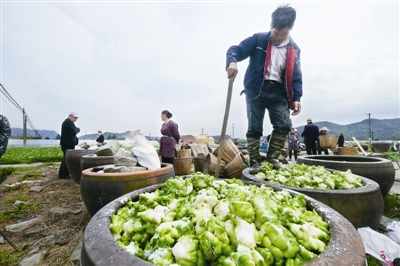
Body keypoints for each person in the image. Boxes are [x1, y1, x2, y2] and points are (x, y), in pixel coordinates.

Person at [226, 4, 302, 169]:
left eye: (282, 33)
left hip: (279, 92)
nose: (277, 37)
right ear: (271, 26)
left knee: (284, 125)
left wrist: (297, 97)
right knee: (255, 127)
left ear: (289, 29)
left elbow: (296, 77)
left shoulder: (294, 50)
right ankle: (254, 160)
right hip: (256, 90)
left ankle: (273, 158)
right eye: (275, 32)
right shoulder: (259, 39)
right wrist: (232, 62)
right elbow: (235, 50)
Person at [58, 112, 80, 179]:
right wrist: (78, 129)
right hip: (67, 143)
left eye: (76, 118)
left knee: (66, 158)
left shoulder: (71, 123)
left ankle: (63, 173)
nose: (76, 119)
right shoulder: (67, 123)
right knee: (66, 159)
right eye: (74, 117)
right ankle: (64, 174)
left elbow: (75, 130)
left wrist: (77, 129)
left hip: (69, 143)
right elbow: (75, 131)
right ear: (70, 116)